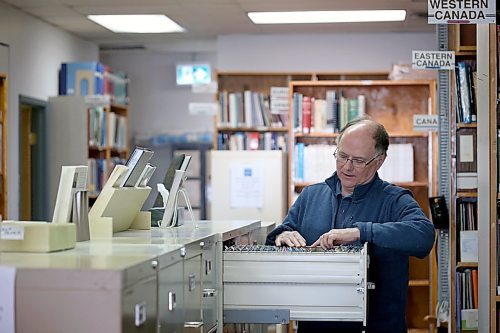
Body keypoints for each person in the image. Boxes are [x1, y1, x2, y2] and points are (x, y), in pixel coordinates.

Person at [266, 116, 435, 333]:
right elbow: (282, 234)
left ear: (379, 160)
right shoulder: (310, 195)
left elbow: (424, 236)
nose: (347, 167)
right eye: (342, 156)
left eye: (358, 160)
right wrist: (282, 236)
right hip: (314, 327)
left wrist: (360, 232)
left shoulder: (395, 199)